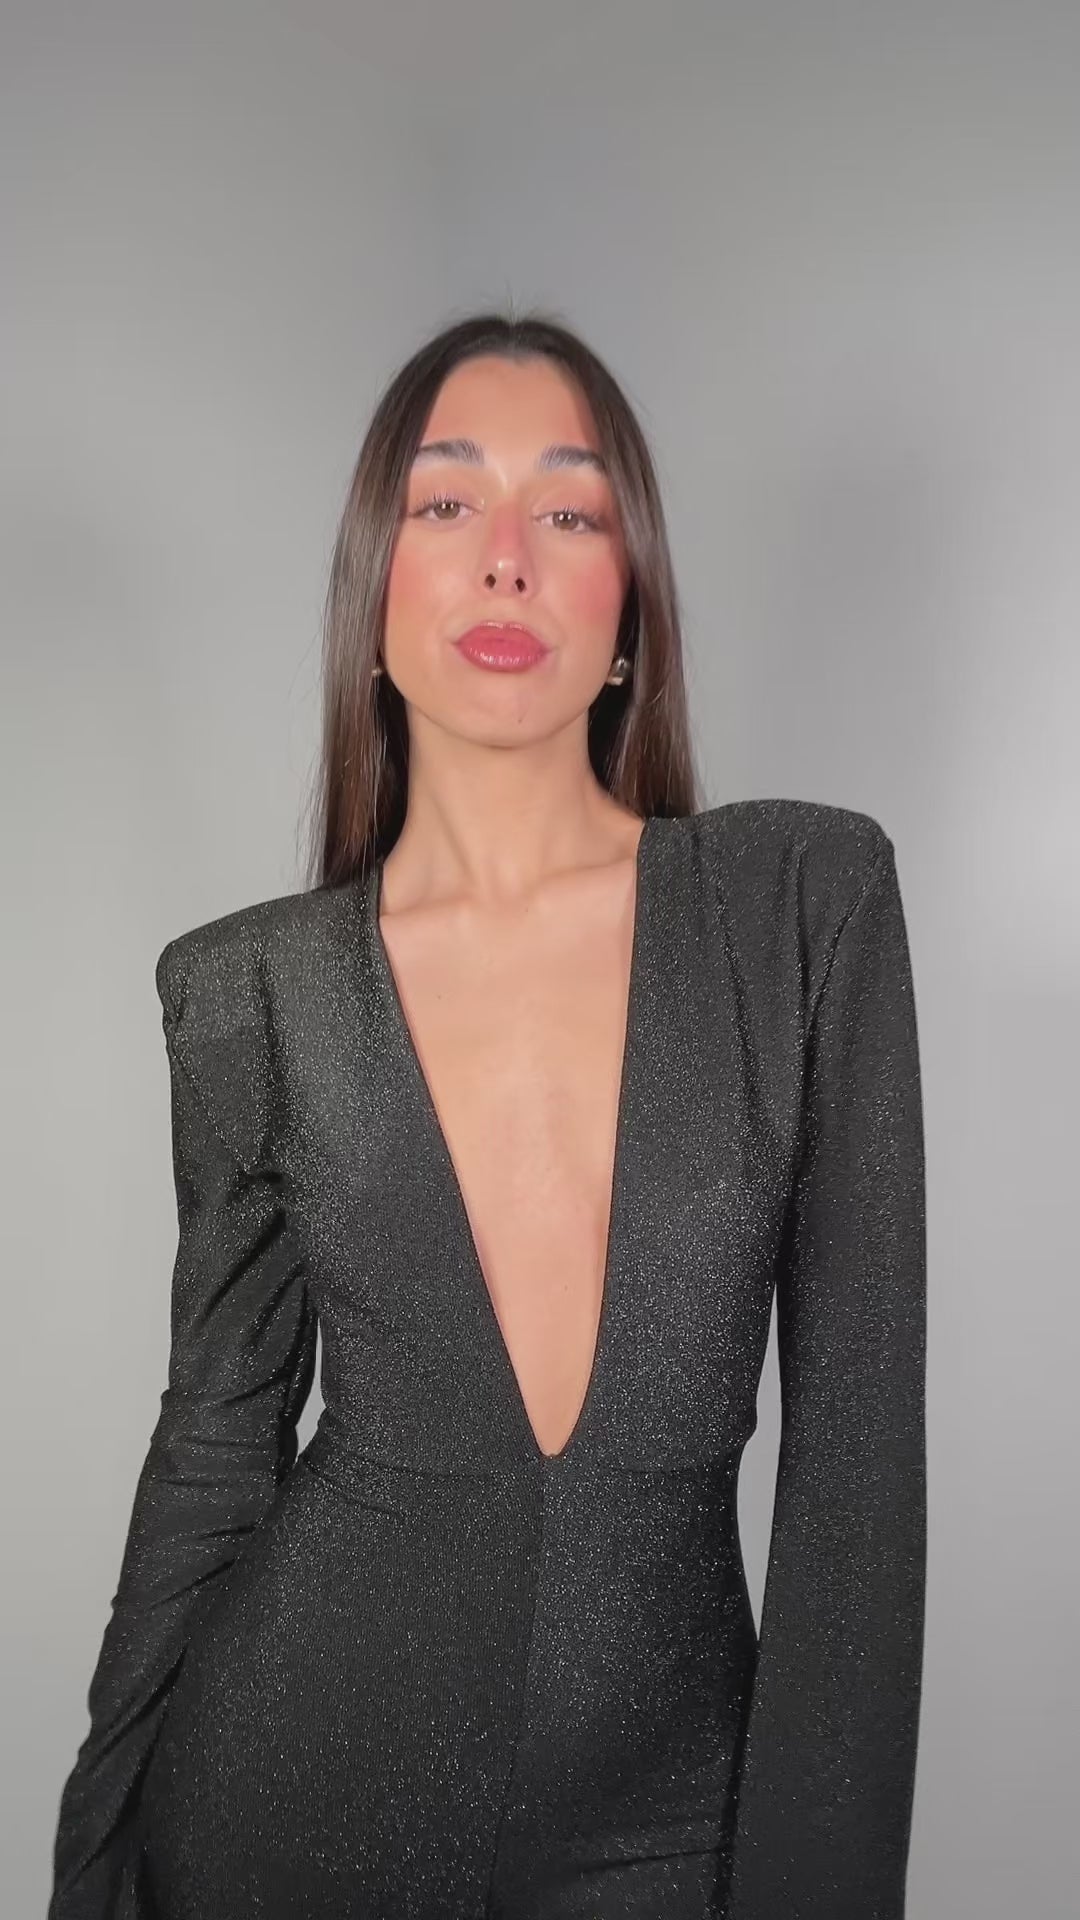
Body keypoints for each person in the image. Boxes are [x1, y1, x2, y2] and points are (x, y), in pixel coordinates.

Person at [48, 309, 927, 1920]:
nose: (506, 556)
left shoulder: (803, 904)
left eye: (570, 510)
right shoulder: (248, 990)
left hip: (673, 1834)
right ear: (372, 603)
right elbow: (215, 1448)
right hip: (281, 1818)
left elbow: (857, 1487)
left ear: (630, 613)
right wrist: (92, 1866)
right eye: (446, 501)